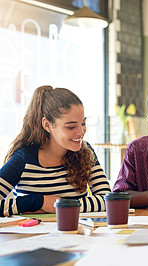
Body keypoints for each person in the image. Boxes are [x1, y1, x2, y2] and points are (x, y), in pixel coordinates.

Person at [0, 86, 111, 217]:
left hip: (76, 234)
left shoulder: (85, 151)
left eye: (83, 123)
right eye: (71, 126)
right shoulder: (23, 158)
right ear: (47, 125)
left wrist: (60, 206)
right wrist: (39, 202)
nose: (81, 132)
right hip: (34, 235)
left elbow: (108, 200)